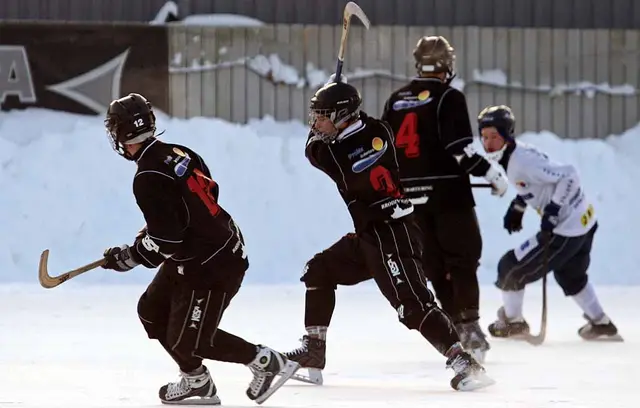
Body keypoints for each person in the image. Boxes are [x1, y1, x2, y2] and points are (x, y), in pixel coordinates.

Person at [282, 79, 494, 392]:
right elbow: (343, 134)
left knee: (413, 305)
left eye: (322, 115)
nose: (316, 122)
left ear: (343, 115)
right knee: (319, 270)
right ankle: (314, 352)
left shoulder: (338, 155)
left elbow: (313, 150)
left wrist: (322, 131)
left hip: (393, 233)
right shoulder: (377, 130)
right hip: (371, 234)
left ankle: (464, 362)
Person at [100, 93, 300, 405]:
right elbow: (195, 203)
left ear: (120, 134)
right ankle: (197, 383)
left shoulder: (147, 176)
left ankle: (266, 361)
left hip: (212, 264)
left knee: (191, 342)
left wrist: (130, 256)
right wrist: (147, 238)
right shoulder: (179, 152)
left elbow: (166, 242)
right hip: (202, 253)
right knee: (152, 312)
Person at [380, 35, 509, 363]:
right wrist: (492, 174)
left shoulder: (395, 100)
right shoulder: (449, 97)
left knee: (434, 265)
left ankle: (453, 324)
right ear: (447, 65)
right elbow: (460, 149)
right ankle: (469, 327)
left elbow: (386, 152)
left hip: (411, 199)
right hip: (449, 197)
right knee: (463, 261)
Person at [477, 104, 623, 342]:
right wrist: (520, 205)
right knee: (571, 275)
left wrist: (553, 210)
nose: (488, 143)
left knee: (510, 268)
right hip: (583, 219)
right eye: (484, 137)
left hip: (565, 229)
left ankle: (514, 324)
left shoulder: (521, 162)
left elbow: (569, 175)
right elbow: (538, 183)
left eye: (494, 136)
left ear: (506, 135)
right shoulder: (516, 154)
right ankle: (602, 323)